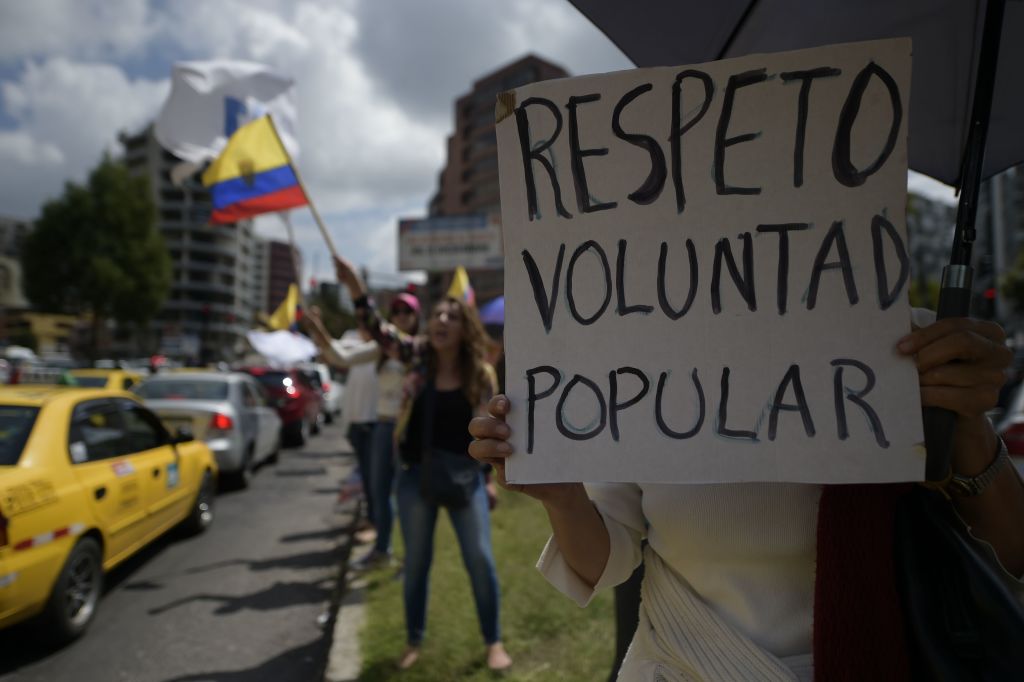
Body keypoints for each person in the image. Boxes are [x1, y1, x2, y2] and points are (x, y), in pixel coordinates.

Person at [469, 312, 1024, 681]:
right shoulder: (635, 352)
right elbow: (606, 563)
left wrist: (969, 426)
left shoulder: (898, 340)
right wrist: (562, 496)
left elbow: (1014, 547)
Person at [332, 255, 513, 672]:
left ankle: (494, 642)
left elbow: (490, 432)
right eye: (437, 314)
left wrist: (487, 480)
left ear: (464, 326)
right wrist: (356, 288)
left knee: (480, 561)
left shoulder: (481, 374)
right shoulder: (416, 359)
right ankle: (414, 640)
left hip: (467, 478)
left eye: (452, 314)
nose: (441, 320)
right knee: (416, 565)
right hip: (414, 478)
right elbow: (379, 331)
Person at [355, 292, 422, 569]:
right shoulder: (381, 350)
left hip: (408, 428)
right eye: (396, 311)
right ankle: (383, 549)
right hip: (383, 425)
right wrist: (319, 333)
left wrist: (358, 292)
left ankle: (411, 558)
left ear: (417, 316)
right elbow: (343, 356)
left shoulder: (421, 349)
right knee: (378, 489)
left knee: (409, 494)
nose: (401, 316)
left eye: (407, 311)